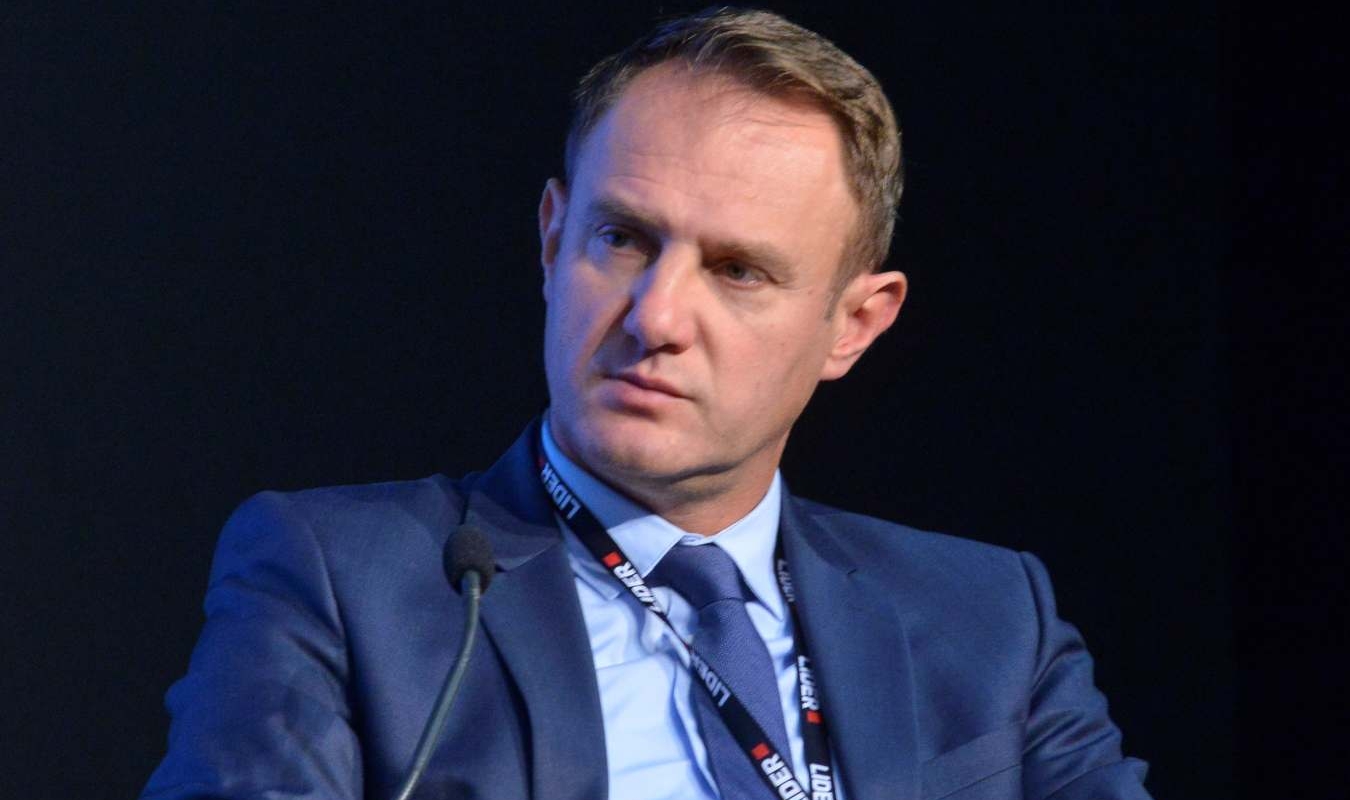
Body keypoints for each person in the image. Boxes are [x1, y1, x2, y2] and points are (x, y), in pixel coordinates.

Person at [141, 8, 1152, 800]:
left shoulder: (987, 618)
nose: (656, 315)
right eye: (622, 238)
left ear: (854, 324)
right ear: (552, 239)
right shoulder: (342, 581)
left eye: (738, 270)